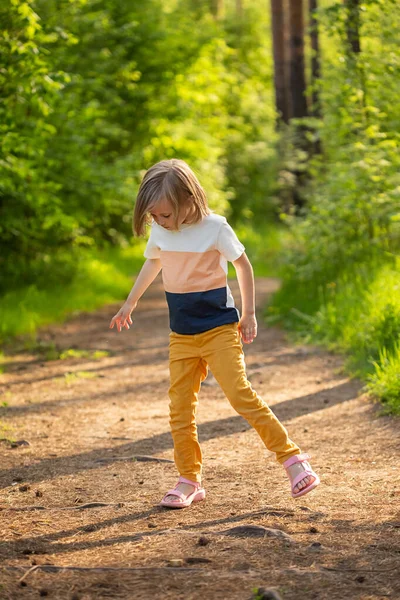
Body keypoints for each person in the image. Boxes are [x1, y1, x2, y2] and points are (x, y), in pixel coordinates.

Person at [110, 159, 320, 508]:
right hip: (182, 335)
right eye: (154, 217)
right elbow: (153, 261)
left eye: (165, 215)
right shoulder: (162, 231)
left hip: (219, 328)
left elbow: (243, 265)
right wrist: (130, 303)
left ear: (188, 199)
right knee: (180, 408)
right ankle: (189, 480)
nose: (159, 223)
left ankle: (294, 461)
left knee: (240, 394)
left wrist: (249, 313)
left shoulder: (216, 228)